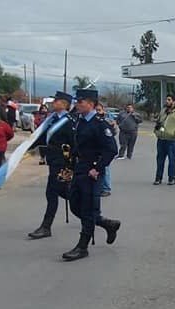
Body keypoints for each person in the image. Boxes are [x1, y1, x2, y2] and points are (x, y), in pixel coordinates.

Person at [61, 88, 119, 262]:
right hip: (79, 169)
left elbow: (111, 150)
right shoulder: (79, 121)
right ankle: (106, 224)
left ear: (91, 104)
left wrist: (98, 168)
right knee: (74, 205)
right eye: (77, 101)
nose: (77, 104)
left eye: (81, 101)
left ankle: (82, 246)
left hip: (92, 172)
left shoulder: (100, 125)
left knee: (87, 209)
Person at [27, 91, 77, 240]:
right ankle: (95, 217)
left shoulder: (69, 122)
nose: (53, 102)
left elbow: (74, 145)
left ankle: (46, 227)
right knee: (57, 193)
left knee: (56, 193)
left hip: (63, 164)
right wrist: (26, 147)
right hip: (53, 161)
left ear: (64, 104)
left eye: (56, 100)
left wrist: (71, 166)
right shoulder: (52, 119)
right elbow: (42, 137)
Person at [154, 94, 175, 185]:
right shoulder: (163, 111)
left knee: (172, 160)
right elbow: (158, 123)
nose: (167, 101)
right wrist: (157, 132)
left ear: (173, 102)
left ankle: (171, 178)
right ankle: (158, 178)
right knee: (160, 160)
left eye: (169, 100)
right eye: (166, 99)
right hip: (161, 140)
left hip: (172, 141)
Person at [97, 102, 117, 197]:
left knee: (105, 168)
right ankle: (99, 187)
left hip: (105, 149)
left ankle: (106, 188)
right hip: (96, 149)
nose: (97, 112)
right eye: (96, 110)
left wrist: (112, 125)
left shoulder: (107, 120)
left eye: (99, 110)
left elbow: (113, 133)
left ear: (103, 110)